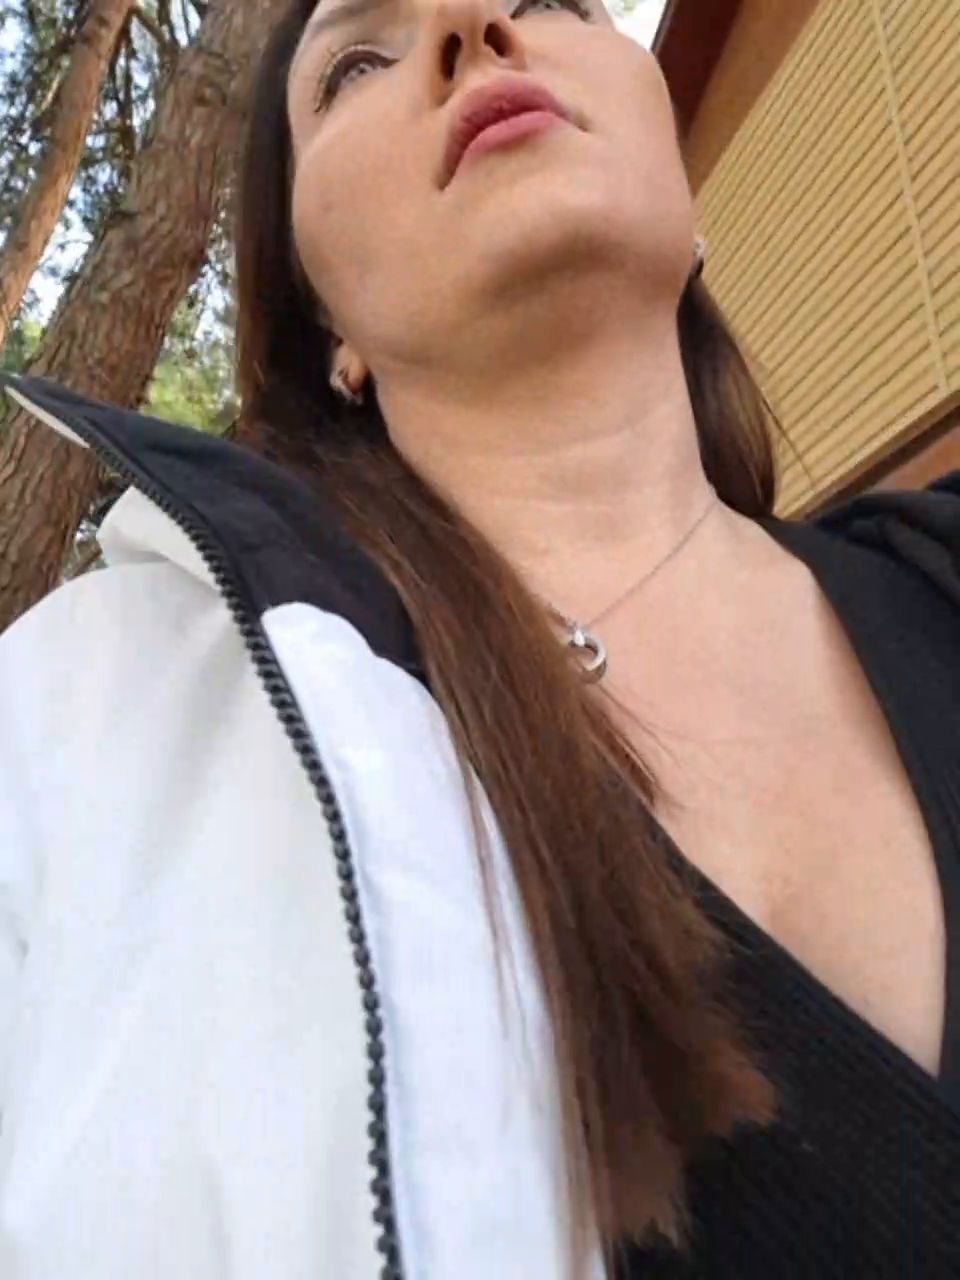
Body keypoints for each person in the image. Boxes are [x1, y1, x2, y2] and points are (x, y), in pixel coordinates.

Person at [0, 0, 958, 1275]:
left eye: (550, 0)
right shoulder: (95, 720)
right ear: (327, 330)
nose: (471, 23)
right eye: (356, 63)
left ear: (685, 193)